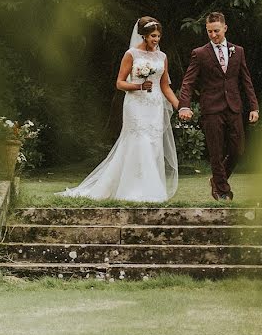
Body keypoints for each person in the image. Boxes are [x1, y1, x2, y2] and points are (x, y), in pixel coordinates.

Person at [59, 16, 179, 202]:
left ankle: (150, 187)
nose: (156, 39)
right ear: (144, 36)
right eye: (153, 36)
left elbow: (165, 86)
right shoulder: (131, 54)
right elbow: (120, 83)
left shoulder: (162, 57)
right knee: (140, 142)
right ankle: (133, 189)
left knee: (153, 144)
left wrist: (181, 106)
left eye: (158, 36)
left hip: (154, 105)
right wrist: (139, 86)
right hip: (136, 104)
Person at [177, 11, 259, 201]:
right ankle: (222, 191)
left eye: (216, 31)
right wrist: (184, 106)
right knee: (216, 151)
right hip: (211, 109)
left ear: (225, 28)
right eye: (209, 32)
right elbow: (188, 82)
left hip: (234, 107)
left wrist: (254, 106)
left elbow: (246, 81)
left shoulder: (238, 51)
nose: (213, 35)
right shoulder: (200, 53)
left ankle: (216, 180)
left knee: (238, 149)